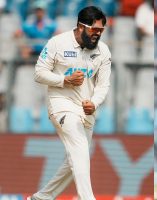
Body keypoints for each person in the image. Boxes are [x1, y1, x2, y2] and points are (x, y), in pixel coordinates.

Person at [27, 6, 111, 200]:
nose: (97, 35)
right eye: (94, 30)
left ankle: (41, 197)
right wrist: (64, 80)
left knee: (76, 157)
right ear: (81, 26)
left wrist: (95, 102)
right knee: (80, 147)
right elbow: (39, 73)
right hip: (61, 103)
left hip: (87, 109)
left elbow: (103, 85)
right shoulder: (58, 43)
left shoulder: (103, 51)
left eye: (101, 31)